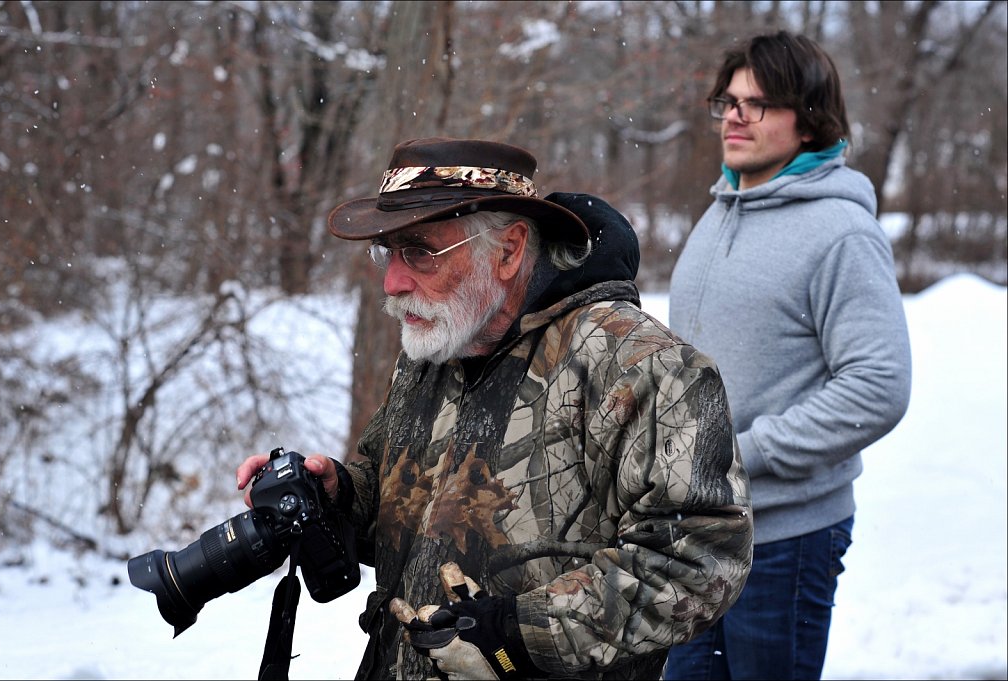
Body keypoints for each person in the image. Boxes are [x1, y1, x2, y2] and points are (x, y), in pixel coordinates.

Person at [237, 137, 753, 680]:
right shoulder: (438, 338)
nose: (392, 282)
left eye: (419, 251)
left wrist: (516, 634)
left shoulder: (639, 364)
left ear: (507, 251)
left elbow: (700, 560)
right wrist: (336, 495)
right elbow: (406, 501)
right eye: (388, 251)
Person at [663, 31, 912, 681]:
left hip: (783, 539)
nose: (737, 116)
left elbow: (877, 385)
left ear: (809, 121)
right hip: (694, 534)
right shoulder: (718, 214)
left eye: (761, 103)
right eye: (731, 100)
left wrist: (743, 455)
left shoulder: (841, 233)